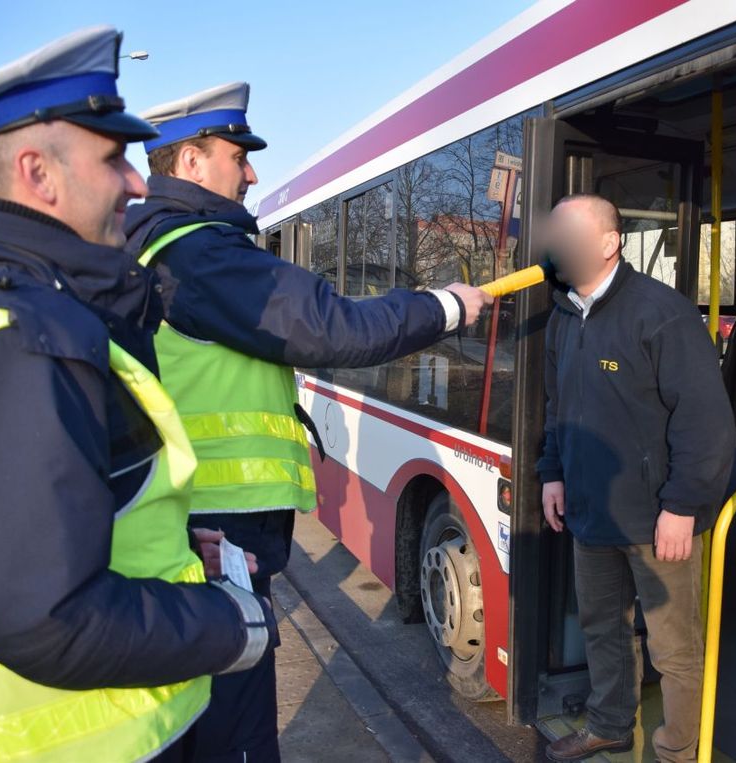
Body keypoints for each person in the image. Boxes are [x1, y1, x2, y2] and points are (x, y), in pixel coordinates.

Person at [123, 82, 491, 761]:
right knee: (235, 729)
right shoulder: (202, 254)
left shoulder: (155, 246)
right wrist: (443, 306)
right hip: (218, 530)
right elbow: (332, 326)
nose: (252, 174)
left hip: (192, 517)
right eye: (239, 156)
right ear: (192, 162)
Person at [0, 28, 276, 763]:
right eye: (112, 158)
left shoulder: (24, 309)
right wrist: (229, 626)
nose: (136, 182)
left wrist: (177, 546)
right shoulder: (27, 336)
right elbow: (38, 615)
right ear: (37, 173)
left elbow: (44, 512)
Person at [535, 194, 736, 762]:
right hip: (590, 512)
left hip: (657, 520)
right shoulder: (563, 316)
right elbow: (558, 408)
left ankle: (676, 752)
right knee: (603, 630)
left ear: (609, 243)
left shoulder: (662, 313)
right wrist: (553, 473)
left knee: (674, 650)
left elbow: (708, 425)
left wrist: (682, 506)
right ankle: (610, 726)